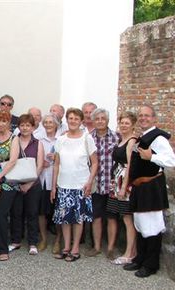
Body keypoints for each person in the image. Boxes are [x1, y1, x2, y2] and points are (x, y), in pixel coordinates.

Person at [123, 105, 175, 278]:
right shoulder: (143, 137)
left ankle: (151, 265)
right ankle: (140, 258)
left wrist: (151, 157)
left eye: (147, 116)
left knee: (152, 226)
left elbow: (171, 160)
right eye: (141, 116)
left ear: (154, 119)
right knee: (140, 224)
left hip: (151, 186)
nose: (143, 118)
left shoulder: (158, 138)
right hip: (140, 187)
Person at [50, 108, 98, 262]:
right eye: (70, 118)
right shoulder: (61, 139)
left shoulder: (86, 138)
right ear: (67, 120)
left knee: (78, 218)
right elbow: (56, 164)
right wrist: (53, 187)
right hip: (64, 184)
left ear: (81, 121)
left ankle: (75, 247)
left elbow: (95, 163)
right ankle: (65, 247)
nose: (73, 121)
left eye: (76, 119)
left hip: (80, 185)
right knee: (65, 218)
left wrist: (89, 182)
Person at [0, 111, 21, 262]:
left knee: (2, 213)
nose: (0, 123)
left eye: (4, 121)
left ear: (9, 123)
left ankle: (3, 249)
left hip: (7, 182)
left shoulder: (14, 138)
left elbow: (13, 160)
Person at [85, 108, 120, 259]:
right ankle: (97, 246)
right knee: (96, 217)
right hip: (96, 184)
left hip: (112, 184)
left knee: (112, 217)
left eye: (102, 118)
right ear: (93, 121)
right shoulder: (88, 138)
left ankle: (111, 248)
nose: (100, 121)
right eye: (97, 118)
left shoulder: (117, 137)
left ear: (107, 120)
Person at [10, 114, 45, 255]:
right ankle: (15, 241)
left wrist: (29, 184)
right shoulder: (14, 141)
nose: (25, 128)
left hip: (33, 184)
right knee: (16, 213)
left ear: (33, 127)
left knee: (32, 213)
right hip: (16, 182)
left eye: (28, 125)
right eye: (22, 125)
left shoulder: (38, 143)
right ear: (18, 127)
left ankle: (32, 243)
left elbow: (40, 165)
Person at [107, 111, 138, 265]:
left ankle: (129, 254)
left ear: (133, 125)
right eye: (122, 122)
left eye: (127, 123)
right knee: (121, 216)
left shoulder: (131, 141)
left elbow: (130, 165)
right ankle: (132, 251)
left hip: (125, 184)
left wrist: (124, 187)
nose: (124, 125)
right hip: (117, 182)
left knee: (127, 218)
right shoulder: (121, 140)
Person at [37, 114, 60, 253]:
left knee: (57, 212)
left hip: (57, 180)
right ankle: (44, 239)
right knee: (41, 212)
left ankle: (58, 240)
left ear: (56, 124)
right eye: (46, 122)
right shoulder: (39, 139)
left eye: (51, 122)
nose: (48, 124)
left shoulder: (62, 139)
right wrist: (40, 162)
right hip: (42, 180)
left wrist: (58, 158)